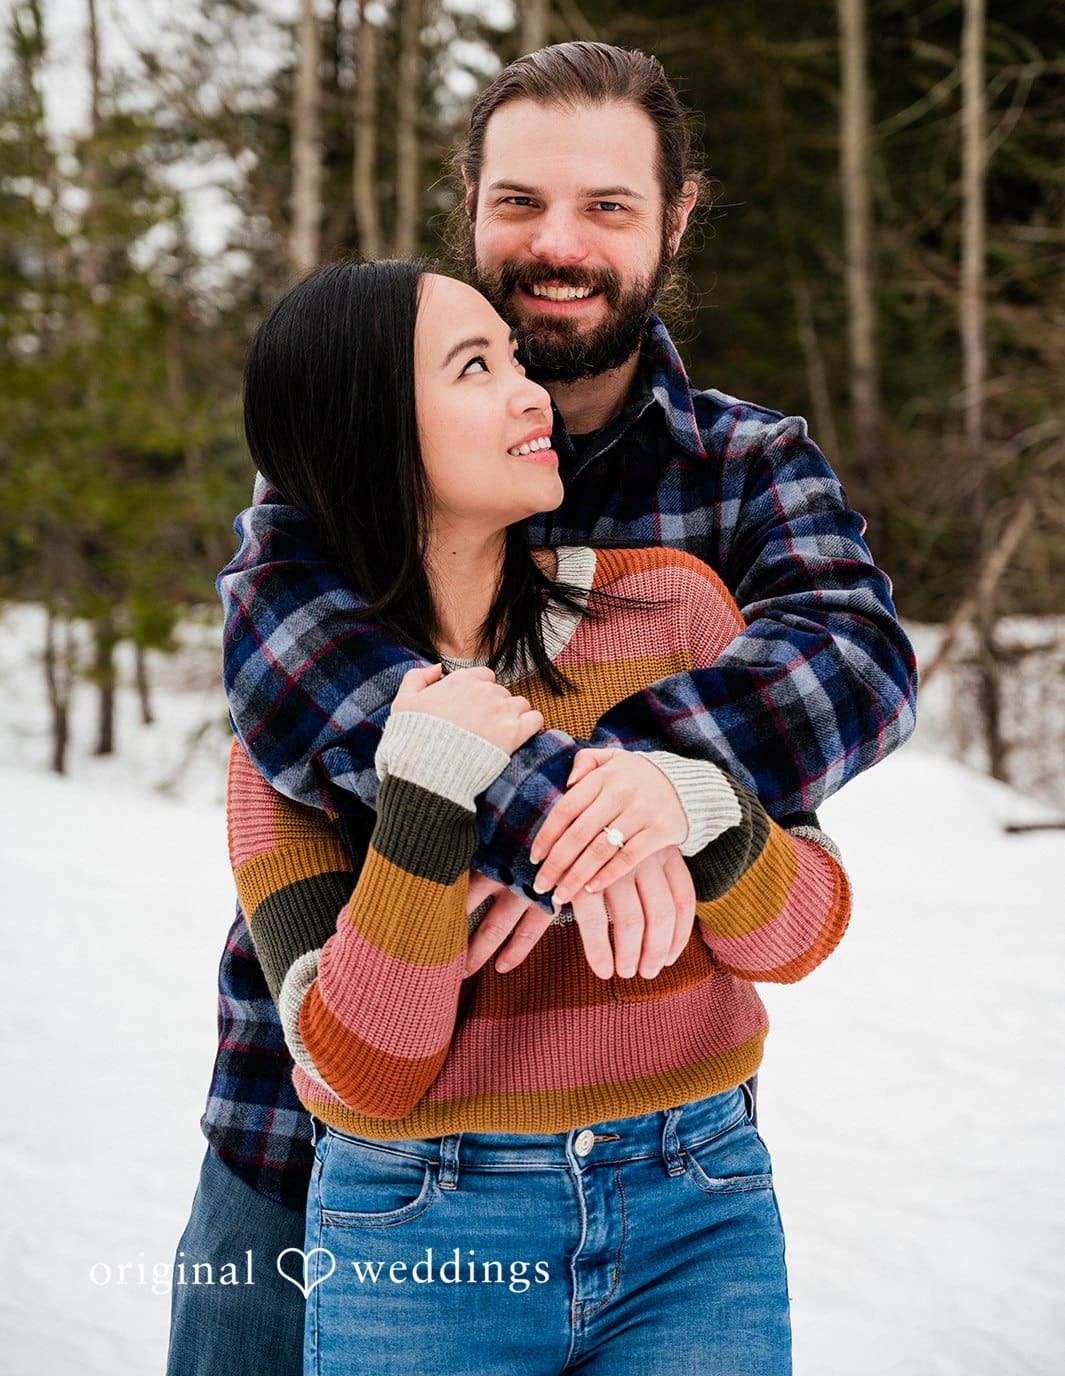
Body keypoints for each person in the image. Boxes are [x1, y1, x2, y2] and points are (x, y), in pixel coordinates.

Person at [166, 42, 916, 1374]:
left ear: (676, 219)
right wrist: (543, 820)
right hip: (311, 1132)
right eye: (518, 202)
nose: (555, 244)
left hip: (656, 1154)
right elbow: (301, 677)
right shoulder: (347, 450)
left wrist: (646, 786)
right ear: (468, 198)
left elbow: (852, 663)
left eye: (606, 207)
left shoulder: (738, 476)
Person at [229, 256, 852, 1376]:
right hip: (419, 1237)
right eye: (477, 367)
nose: (532, 392)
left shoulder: (669, 608)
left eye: (515, 358)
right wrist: (425, 797)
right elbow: (357, 1072)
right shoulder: (296, 733)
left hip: (696, 1209)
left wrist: (692, 798)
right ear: (366, 428)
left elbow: (801, 929)